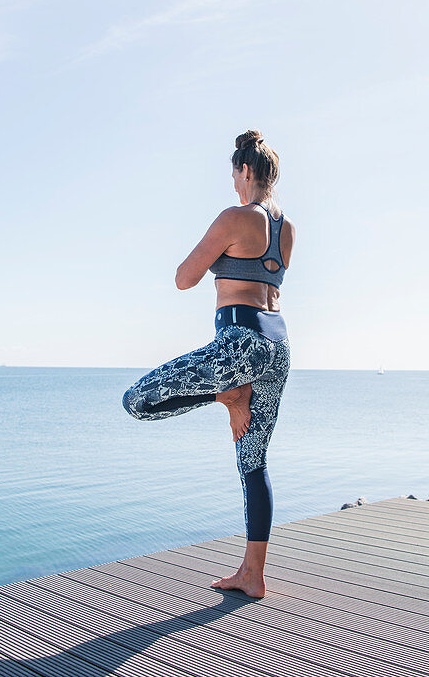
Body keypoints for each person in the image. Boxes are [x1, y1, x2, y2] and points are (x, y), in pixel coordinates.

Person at [121, 129, 295, 599]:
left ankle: (226, 394)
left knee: (136, 401)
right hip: (277, 345)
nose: (233, 185)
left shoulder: (235, 216)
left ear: (245, 170)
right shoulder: (286, 227)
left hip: (240, 340)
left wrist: (216, 249)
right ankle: (253, 574)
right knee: (253, 462)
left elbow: (184, 278)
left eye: (234, 175)